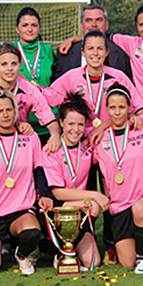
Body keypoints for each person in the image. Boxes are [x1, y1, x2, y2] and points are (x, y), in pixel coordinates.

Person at [45, 30, 143, 266]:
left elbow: (135, 107)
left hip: (111, 146)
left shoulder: (118, 76)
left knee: (113, 194)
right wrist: (54, 130)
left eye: (100, 48)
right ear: (83, 52)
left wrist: (107, 125)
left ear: (107, 51)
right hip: (81, 147)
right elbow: (48, 98)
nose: (95, 53)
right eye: (90, 49)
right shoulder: (71, 77)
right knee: (86, 194)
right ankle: (70, 243)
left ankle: (111, 243)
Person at [0, 90, 53, 275]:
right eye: (0, 111)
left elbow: (38, 171)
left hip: (21, 208)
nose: (6, 114)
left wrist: (44, 196)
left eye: (9, 109)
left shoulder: (30, 137)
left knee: (32, 232)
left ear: (16, 111)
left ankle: (23, 254)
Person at [93, 84, 143, 274]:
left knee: (140, 209)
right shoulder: (100, 139)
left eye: (122, 107)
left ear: (129, 108)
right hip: (120, 205)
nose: (117, 112)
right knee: (126, 262)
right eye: (112, 107)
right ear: (107, 109)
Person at [42, 93, 105, 271]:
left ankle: (69, 249)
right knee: (92, 206)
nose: (75, 129)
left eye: (80, 124)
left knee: (93, 262)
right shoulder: (51, 149)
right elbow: (58, 193)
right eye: (70, 124)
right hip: (58, 209)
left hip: (80, 212)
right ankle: (57, 248)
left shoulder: (87, 143)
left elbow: (106, 126)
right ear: (61, 123)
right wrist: (95, 195)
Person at [54, 3, 132, 81]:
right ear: (81, 25)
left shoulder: (121, 53)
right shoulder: (65, 53)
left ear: (106, 25)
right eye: (88, 20)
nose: (94, 24)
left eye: (98, 20)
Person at [14, 7, 57, 145]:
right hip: (20, 125)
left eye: (34, 25)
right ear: (17, 28)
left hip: (48, 124)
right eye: (25, 25)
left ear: (39, 28)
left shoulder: (48, 50)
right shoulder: (9, 50)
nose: (29, 29)